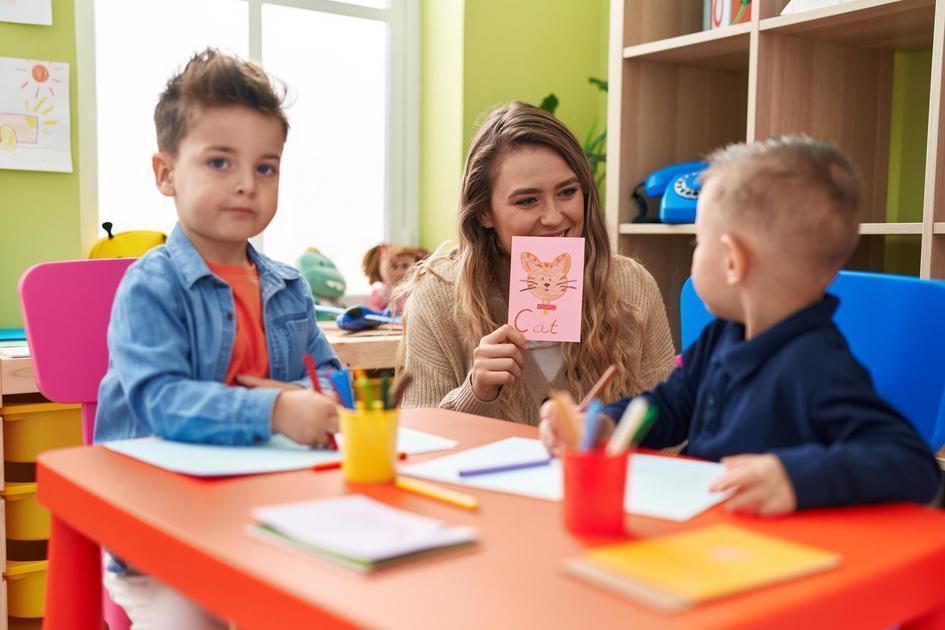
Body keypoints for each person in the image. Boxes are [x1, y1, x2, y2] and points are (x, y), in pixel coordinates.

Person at [540, 136, 942, 515]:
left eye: (698, 243)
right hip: (703, 528)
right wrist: (608, 421)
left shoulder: (818, 365)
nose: (695, 257)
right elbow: (670, 406)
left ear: (733, 260)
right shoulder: (723, 334)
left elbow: (912, 464)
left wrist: (794, 478)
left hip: (767, 558)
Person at [95, 48, 342, 627]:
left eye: (265, 167)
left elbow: (329, 374)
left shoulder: (288, 286)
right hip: (162, 535)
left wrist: (329, 400)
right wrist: (274, 408)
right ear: (165, 173)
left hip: (265, 518)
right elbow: (160, 401)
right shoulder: (151, 285)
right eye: (219, 163)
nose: (246, 186)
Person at [397, 101, 677, 425]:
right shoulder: (438, 297)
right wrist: (476, 392)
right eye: (527, 200)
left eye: (567, 192)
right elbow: (423, 444)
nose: (555, 217)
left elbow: (670, 435)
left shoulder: (632, 288)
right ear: (485, 213)